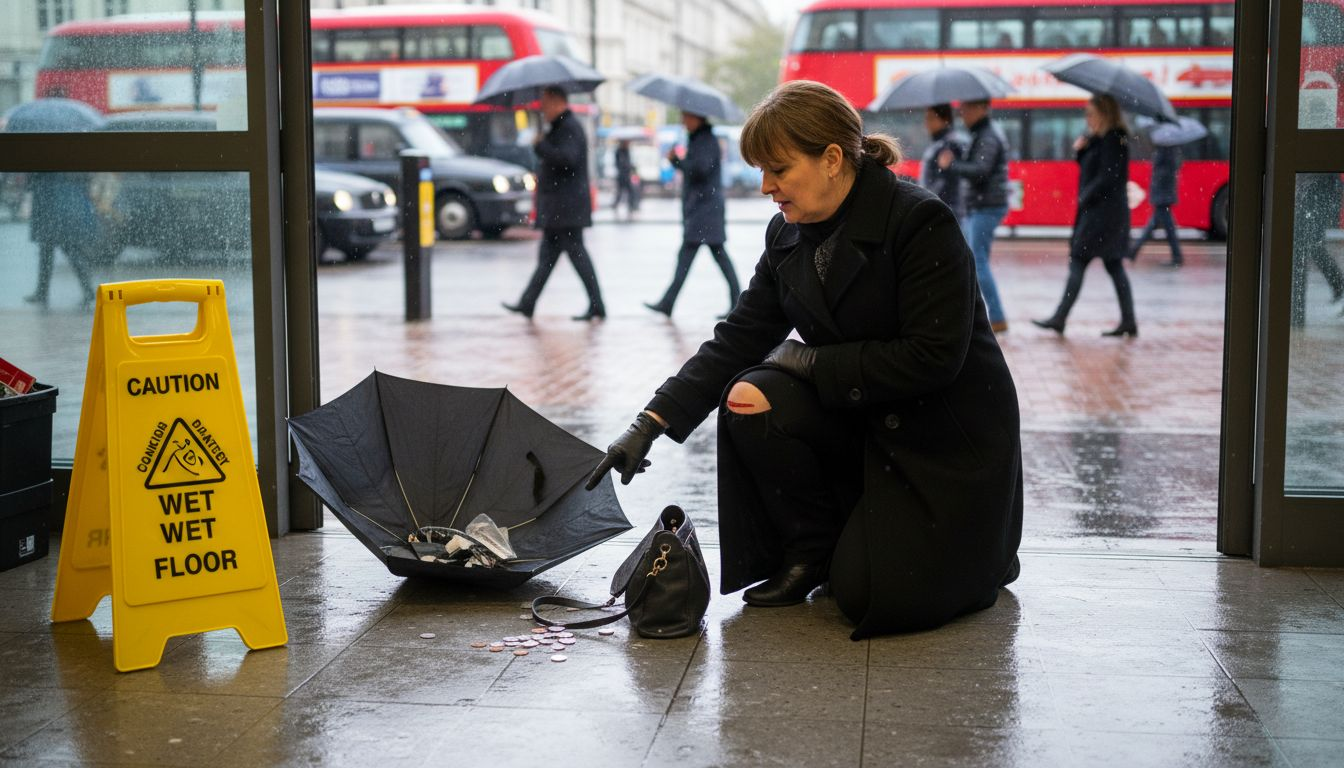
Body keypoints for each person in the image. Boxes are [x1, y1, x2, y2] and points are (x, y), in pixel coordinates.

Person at [585, 80, 1023, 639]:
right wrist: (650, 423)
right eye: (761, 171)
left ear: (833, 160)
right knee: (749, 395)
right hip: (864, 424)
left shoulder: (920, 221)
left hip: (939, 442)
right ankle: (811, 548)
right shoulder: (787, 232)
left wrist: (813, 364)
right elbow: (739, 337)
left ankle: (973, 552)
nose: (766, 186)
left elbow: (933, 358)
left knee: (867, 596)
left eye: (779, 170)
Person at [1032, 94, 1138, 337]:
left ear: (1104, 114)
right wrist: (1082, 151)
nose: (1087, 118)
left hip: (1103, 215)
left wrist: (1085, 196)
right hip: (1103, 213)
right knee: (1113, 265)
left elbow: (1107, 178)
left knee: (1080, 259)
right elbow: (1094, 170)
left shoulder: (1113, 139)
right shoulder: (1101, 140)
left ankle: (1060, 317)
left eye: (1090, 113)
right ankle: (1128, 321)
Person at [503, 86, 606, 321]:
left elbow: (567, 159)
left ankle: (597, 304)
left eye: (544, 102)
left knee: (576, 255)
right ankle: (528, 302)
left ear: (556, 100)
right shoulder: (561, 127)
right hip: (560, 208)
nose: (542, 107)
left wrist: (541, 145)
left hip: (565, 209)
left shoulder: (569, 127)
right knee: (548, 258)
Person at [644, 111, 741, 317]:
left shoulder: (706, 140)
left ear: (697, 118)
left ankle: (736, 302)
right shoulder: (699, 139)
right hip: (703, 208)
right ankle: (669, 302)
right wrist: (678, 160)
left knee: (711, 255)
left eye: (685, 117)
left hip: (705, 209)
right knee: (703, 256)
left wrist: (677, 161)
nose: (682, 121)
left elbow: (700, 170)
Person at [938, 99, 1011, 333]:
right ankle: (984, 316)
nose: (962, 114)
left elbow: (980, 171)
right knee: (977, 262)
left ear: (981, 108)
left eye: (967, 109)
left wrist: (952, 165)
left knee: (976, 262)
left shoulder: (987, 135)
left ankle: (995, 317)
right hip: (982, 205)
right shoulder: (982, 133)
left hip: (985, 206)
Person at [24, 171, 98, 308]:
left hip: (53, 199)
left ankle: (86, 290)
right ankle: (86, 289)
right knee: (53, 249)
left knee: (62, 249)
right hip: (56, 199)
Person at [1291, 172, 1344, 326]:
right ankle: (1339, 285)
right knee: (1312, 249)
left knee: (1306, 250)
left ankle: (1297, 316)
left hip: (1311, 199)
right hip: (1310, 198)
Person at [1127, 143, 1183, 266]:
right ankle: (1134, 250)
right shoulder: (1169, 149)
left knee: (1166, 227)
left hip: (1163, 194)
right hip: (1164, 193)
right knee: (1158, 225)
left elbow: (1164, 172)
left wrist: (1157, 169)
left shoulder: (1166, 150)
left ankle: (1177, 256)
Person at [919, 104, 966, 222]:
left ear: (945, 120)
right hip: (940, 209)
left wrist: (928, 202)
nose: (926, 123)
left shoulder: (949, 145)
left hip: (944, 212)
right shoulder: (940, 142)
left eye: (931, 118)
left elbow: (944, 182)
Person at [612, 139, 640, 217]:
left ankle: (630, 207)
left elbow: (628, 162)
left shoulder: (627, 151)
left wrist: (631, 167)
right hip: (622, 175)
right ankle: (616, 205)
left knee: (629, 191)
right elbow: (619, 163)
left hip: (627, 175)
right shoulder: (619, 151)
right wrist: (626, 166)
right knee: (621, 192)